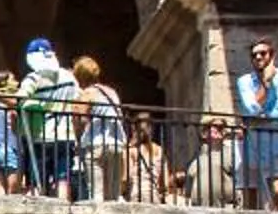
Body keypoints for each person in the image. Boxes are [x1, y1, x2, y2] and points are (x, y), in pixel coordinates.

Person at [17, 38, 79, 199]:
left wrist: (41, 104)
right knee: (62, 177)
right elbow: (78, 101)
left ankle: (38, 211)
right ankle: (63, 207)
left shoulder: (33, 78)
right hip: (66, 135)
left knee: (37, 178)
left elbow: (20, 100)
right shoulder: (69, 77)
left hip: (42, 136)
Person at [236, 36, 278, 209]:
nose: (258, 58)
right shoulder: (244, 81)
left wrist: (258, 119)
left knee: (277, 193)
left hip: (275, 142)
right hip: (251, 144)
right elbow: (250, 109)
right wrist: (266, 84)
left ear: (272, 55)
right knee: (250, 198)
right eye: (254, 55)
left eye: (263, 53)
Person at [73, 57, 128, 202]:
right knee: (113, 195)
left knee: (96, 193)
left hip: (96, 143)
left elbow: (79, 117)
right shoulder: (111, 92)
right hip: (116, 143)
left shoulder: (87, 93)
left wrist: (77, 139)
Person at [0, 71, 25, 196]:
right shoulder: (10, 107)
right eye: (13, 79)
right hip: (11, 149)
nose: (17, 82)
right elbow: (16, 129)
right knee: (13, 193)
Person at [122, 107, 174, 203]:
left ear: (134, 128)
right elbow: (165, 183)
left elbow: (126, 177)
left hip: (135, 196)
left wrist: (121, 192)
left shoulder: (131, 150)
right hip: (153, 197)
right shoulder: (159, 150)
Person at [187, 114, 238, 208]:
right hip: (198, 209)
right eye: (216, 126)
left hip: (223, 209)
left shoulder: (231, 152)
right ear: (205, 132)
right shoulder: (198, 155)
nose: (220, 130)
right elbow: (190, 178)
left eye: (222, 127)